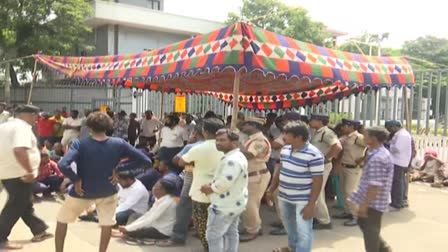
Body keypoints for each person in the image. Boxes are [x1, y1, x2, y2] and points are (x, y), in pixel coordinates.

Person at [55, 111, 152, 252]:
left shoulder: (79, 144)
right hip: (108, 189)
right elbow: (145, 161)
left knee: (62, 220)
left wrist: (76, 179)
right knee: (107, 224)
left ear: (89, 127)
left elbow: (63, 164)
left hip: (82, 191)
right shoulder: (118, 143)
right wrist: (119, 169)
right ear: (108, 126)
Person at [0, 105, 53, 250]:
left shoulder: (5, 126)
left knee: (24, 202)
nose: (37, 120)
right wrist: (29, 170)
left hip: (8, 171)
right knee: (15, 205)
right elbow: (19, 150)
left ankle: (39, 229)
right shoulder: (22, 128)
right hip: (19, 172)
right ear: (28, 115)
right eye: (35, 116)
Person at [266, 121, 324, 252]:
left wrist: (311, 204)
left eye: (286, 134)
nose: (283, 136)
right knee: (289, 226)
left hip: (303, 199)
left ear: (298, 137)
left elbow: (317, 181)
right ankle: (292, 247)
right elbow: (279, 169)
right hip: (284, 196)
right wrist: (271, 189)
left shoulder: (314, 154)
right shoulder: (285, 149)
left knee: (304, 231)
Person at [178, 118, 225, 250]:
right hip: (222, 191)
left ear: (204, 131)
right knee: (221, 225)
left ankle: (209, 248)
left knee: (203, 226)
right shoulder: (227, 147)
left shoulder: (199, 148)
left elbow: (181, 162)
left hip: (201, 192)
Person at [156, 122, 205, 247]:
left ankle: (178, 237)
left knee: (184, 207)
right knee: (204, 207)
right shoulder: (217, 146)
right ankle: (202, 232)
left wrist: (188, 147)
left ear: (196, 134)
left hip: (191, 179)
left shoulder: (192, 146)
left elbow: (176, 160)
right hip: (208, 182)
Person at [200, 128, 249, 252]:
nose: (218, 143)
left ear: (233, 142)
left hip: (224, 206)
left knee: (213, 236)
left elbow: (224, 183)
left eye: (222, 140)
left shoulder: (232, 160)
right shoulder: (236, 156)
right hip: (235, 202)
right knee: (231, 232)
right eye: (217, 140)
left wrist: (209, 188)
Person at [350, 127, 394, 252]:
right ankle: (385, 249)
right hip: (372, 200)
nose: (363, 138)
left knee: (370, 234)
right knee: (365, 224)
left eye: (365, 136)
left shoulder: (378, 158)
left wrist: (364, 205)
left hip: (373, 203)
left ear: (373, 139)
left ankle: (382, 249)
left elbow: (375, 186)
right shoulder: (374, 153)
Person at [239, 119, 272, 242]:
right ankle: (252, 226)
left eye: (246, 124)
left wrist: (234, 147)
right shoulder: (251, 139)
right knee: (250, 203)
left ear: (254, 126)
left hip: (257, 174)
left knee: (250, 203)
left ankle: (253, 229)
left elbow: (249, 155)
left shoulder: (260, 141)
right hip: (252, 174)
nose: (243, 126)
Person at [309, 114, 342, 229]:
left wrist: (327, 158)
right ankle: (317, 218)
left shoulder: (326, 133)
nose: (310, 122)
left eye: (312, 120)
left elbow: (337, 147)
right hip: (316, 166)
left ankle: (324, 221)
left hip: (322, 166)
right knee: (316, 192)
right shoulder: (318, 132)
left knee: (317, 193)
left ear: (319, 121)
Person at [334, 119, 367, 227]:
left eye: (344, 126)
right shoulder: (346, 137)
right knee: (344, 191)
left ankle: (357, 216)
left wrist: (362, 159)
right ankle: (348, 212)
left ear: (351, 127)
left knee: (350, 192)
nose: (342, 128)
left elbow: (371, 147)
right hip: (344, 167)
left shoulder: (359, 137)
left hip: (354, 169)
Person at [385, 120, 412, 210]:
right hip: (398, 161)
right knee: (398, 182)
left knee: (397, 184)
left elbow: (398, 148)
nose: (389, 130)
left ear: (394, 127)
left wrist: (389, 145)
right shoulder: (400, 134)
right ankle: (398, 202)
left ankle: (396, 204)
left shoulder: (402, 135)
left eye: (389, 128)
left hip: (398, 162)